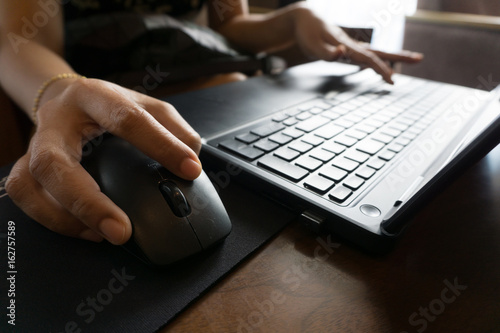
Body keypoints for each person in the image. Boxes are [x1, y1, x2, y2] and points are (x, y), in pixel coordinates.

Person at [0, 0, 422, 246]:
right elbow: (19, 40)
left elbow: (232, 26)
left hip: (240, 102)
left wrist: (295, 19)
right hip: (121, 110)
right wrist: (59, 91)